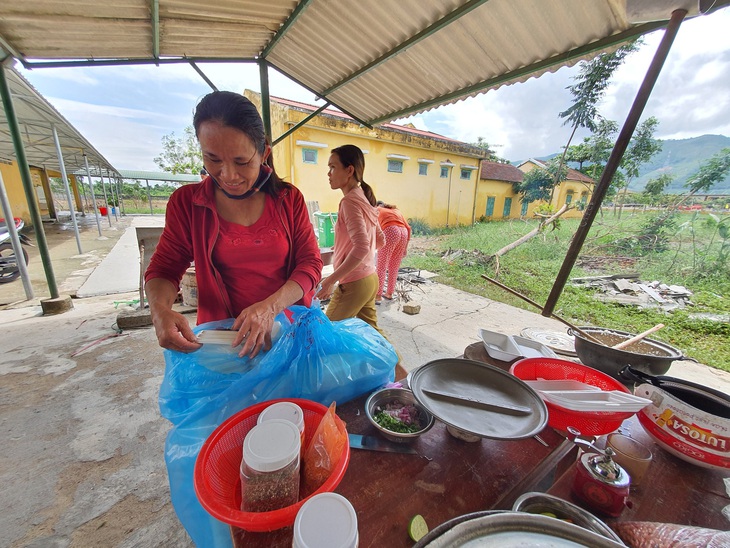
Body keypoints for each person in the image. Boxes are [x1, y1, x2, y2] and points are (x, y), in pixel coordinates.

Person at [145, 91, 323, 358]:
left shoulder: (288, 199)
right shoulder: (187, 204)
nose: (228, 175)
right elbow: (164, 268)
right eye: (213, 159)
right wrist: (159, 310)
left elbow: (310, 264)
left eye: (242, 161)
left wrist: (269, 308)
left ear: (264, 153)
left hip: (291, 333)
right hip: (224, 344)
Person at [315, 144, 385, 332]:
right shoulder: (363, 198)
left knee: (324, 332)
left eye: (332, 167)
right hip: (370, 278)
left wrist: (330, 281)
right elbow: (380, 240)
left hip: (355, 283)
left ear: (349, 170)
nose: (328, 173)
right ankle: (400, 364)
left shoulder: (349, 202)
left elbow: (362, 247)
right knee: (375, 336)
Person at [375, 201, 411, 304]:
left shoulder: (377, 210)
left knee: (381, 266)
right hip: (403, 233)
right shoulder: (396, 211)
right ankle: (389, 293)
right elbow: (408, 228)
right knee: (394, 266)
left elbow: (372, 227)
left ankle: (378, 296)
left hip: (391, 231)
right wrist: (405, 248)